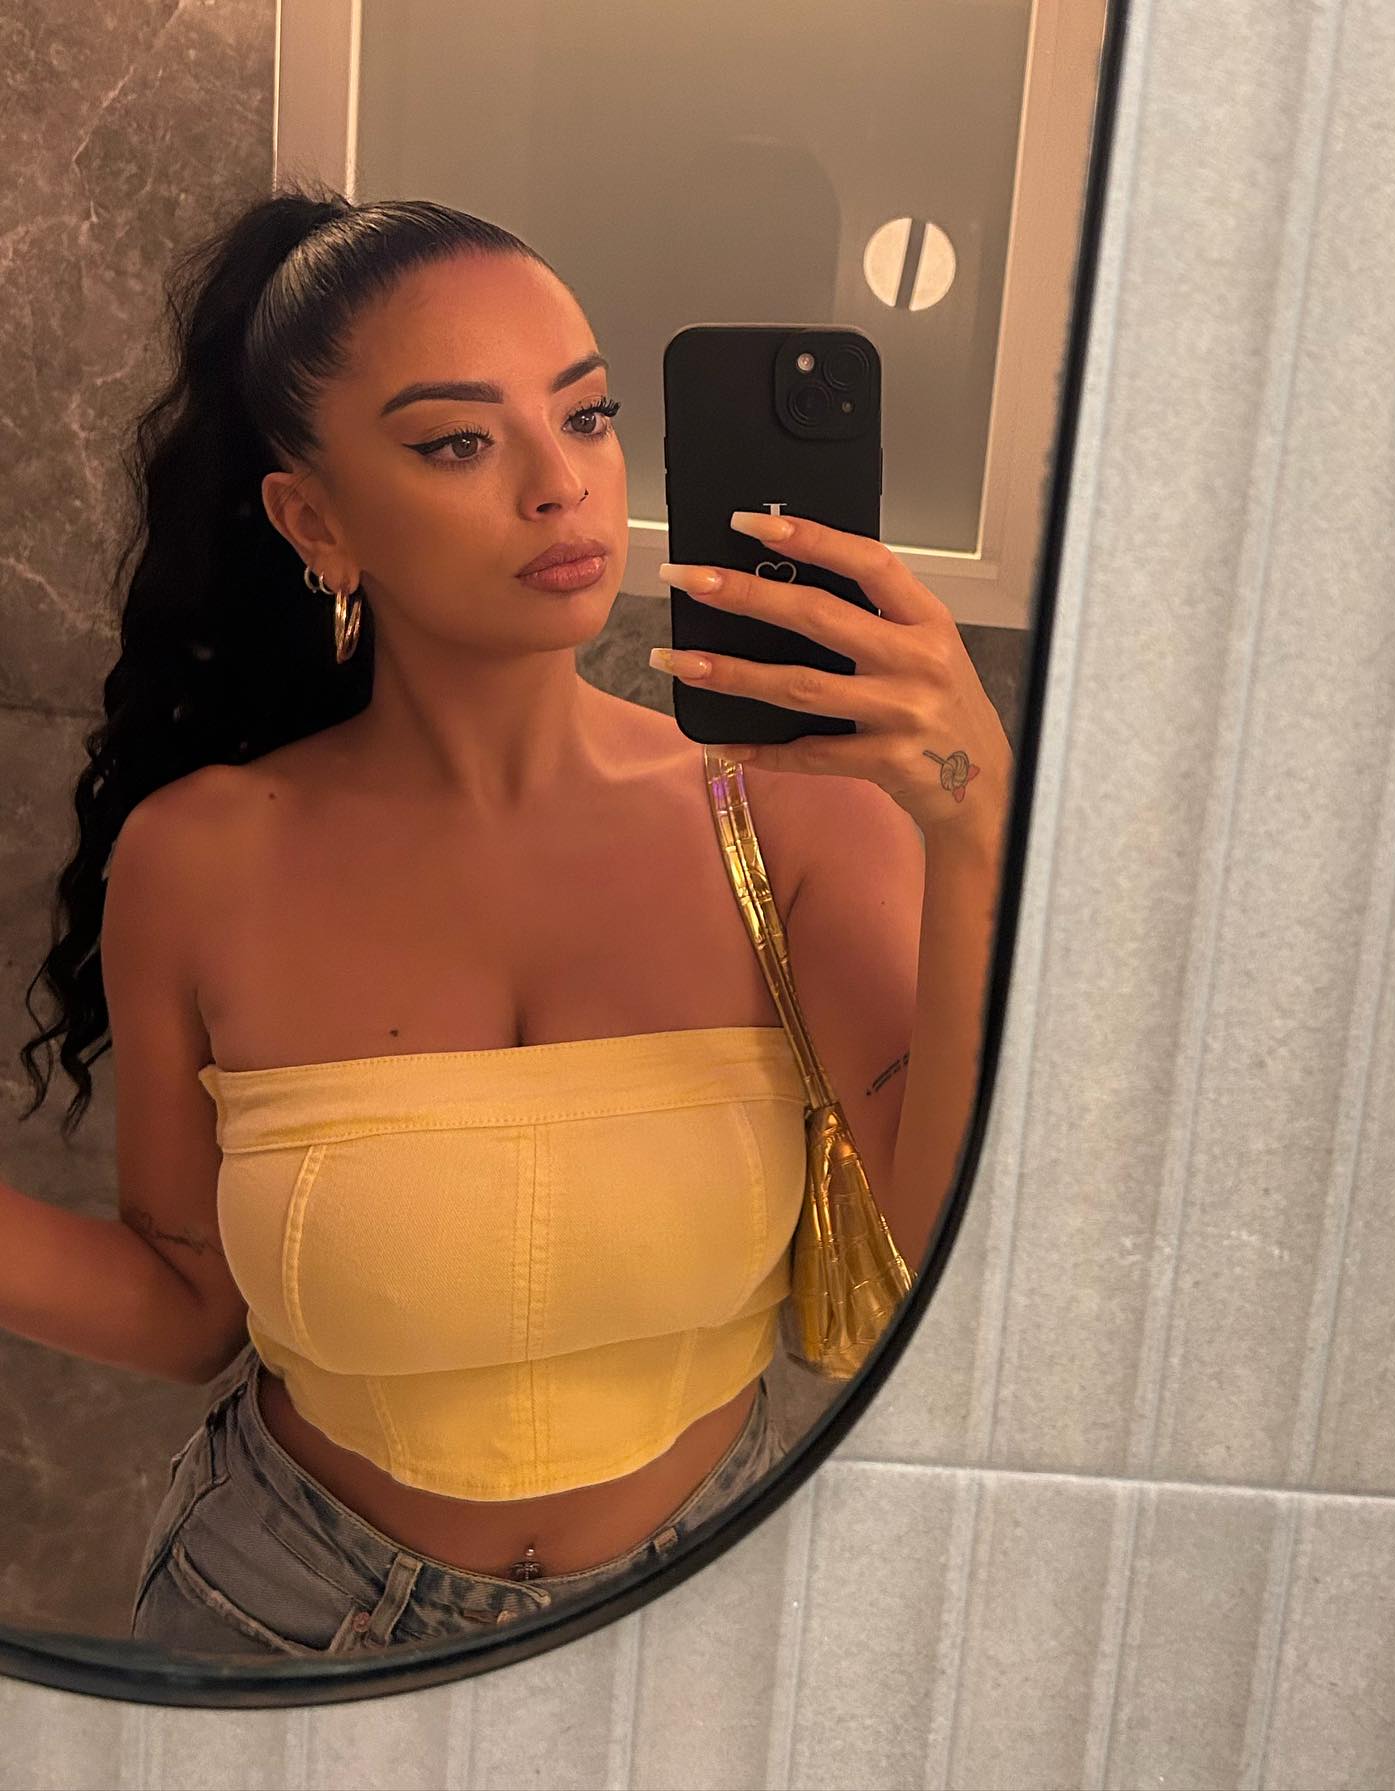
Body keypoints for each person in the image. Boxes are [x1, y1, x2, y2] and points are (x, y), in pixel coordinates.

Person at [10, 182, 832, 1656]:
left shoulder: (778, 817)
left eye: (586, 416)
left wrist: (959, 812)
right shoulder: (198, 860)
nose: (560, 485)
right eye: (460, 440)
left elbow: (960, 1243)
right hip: (279, 1610)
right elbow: (189, 1307)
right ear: (315, 520)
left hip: (712, 1611)